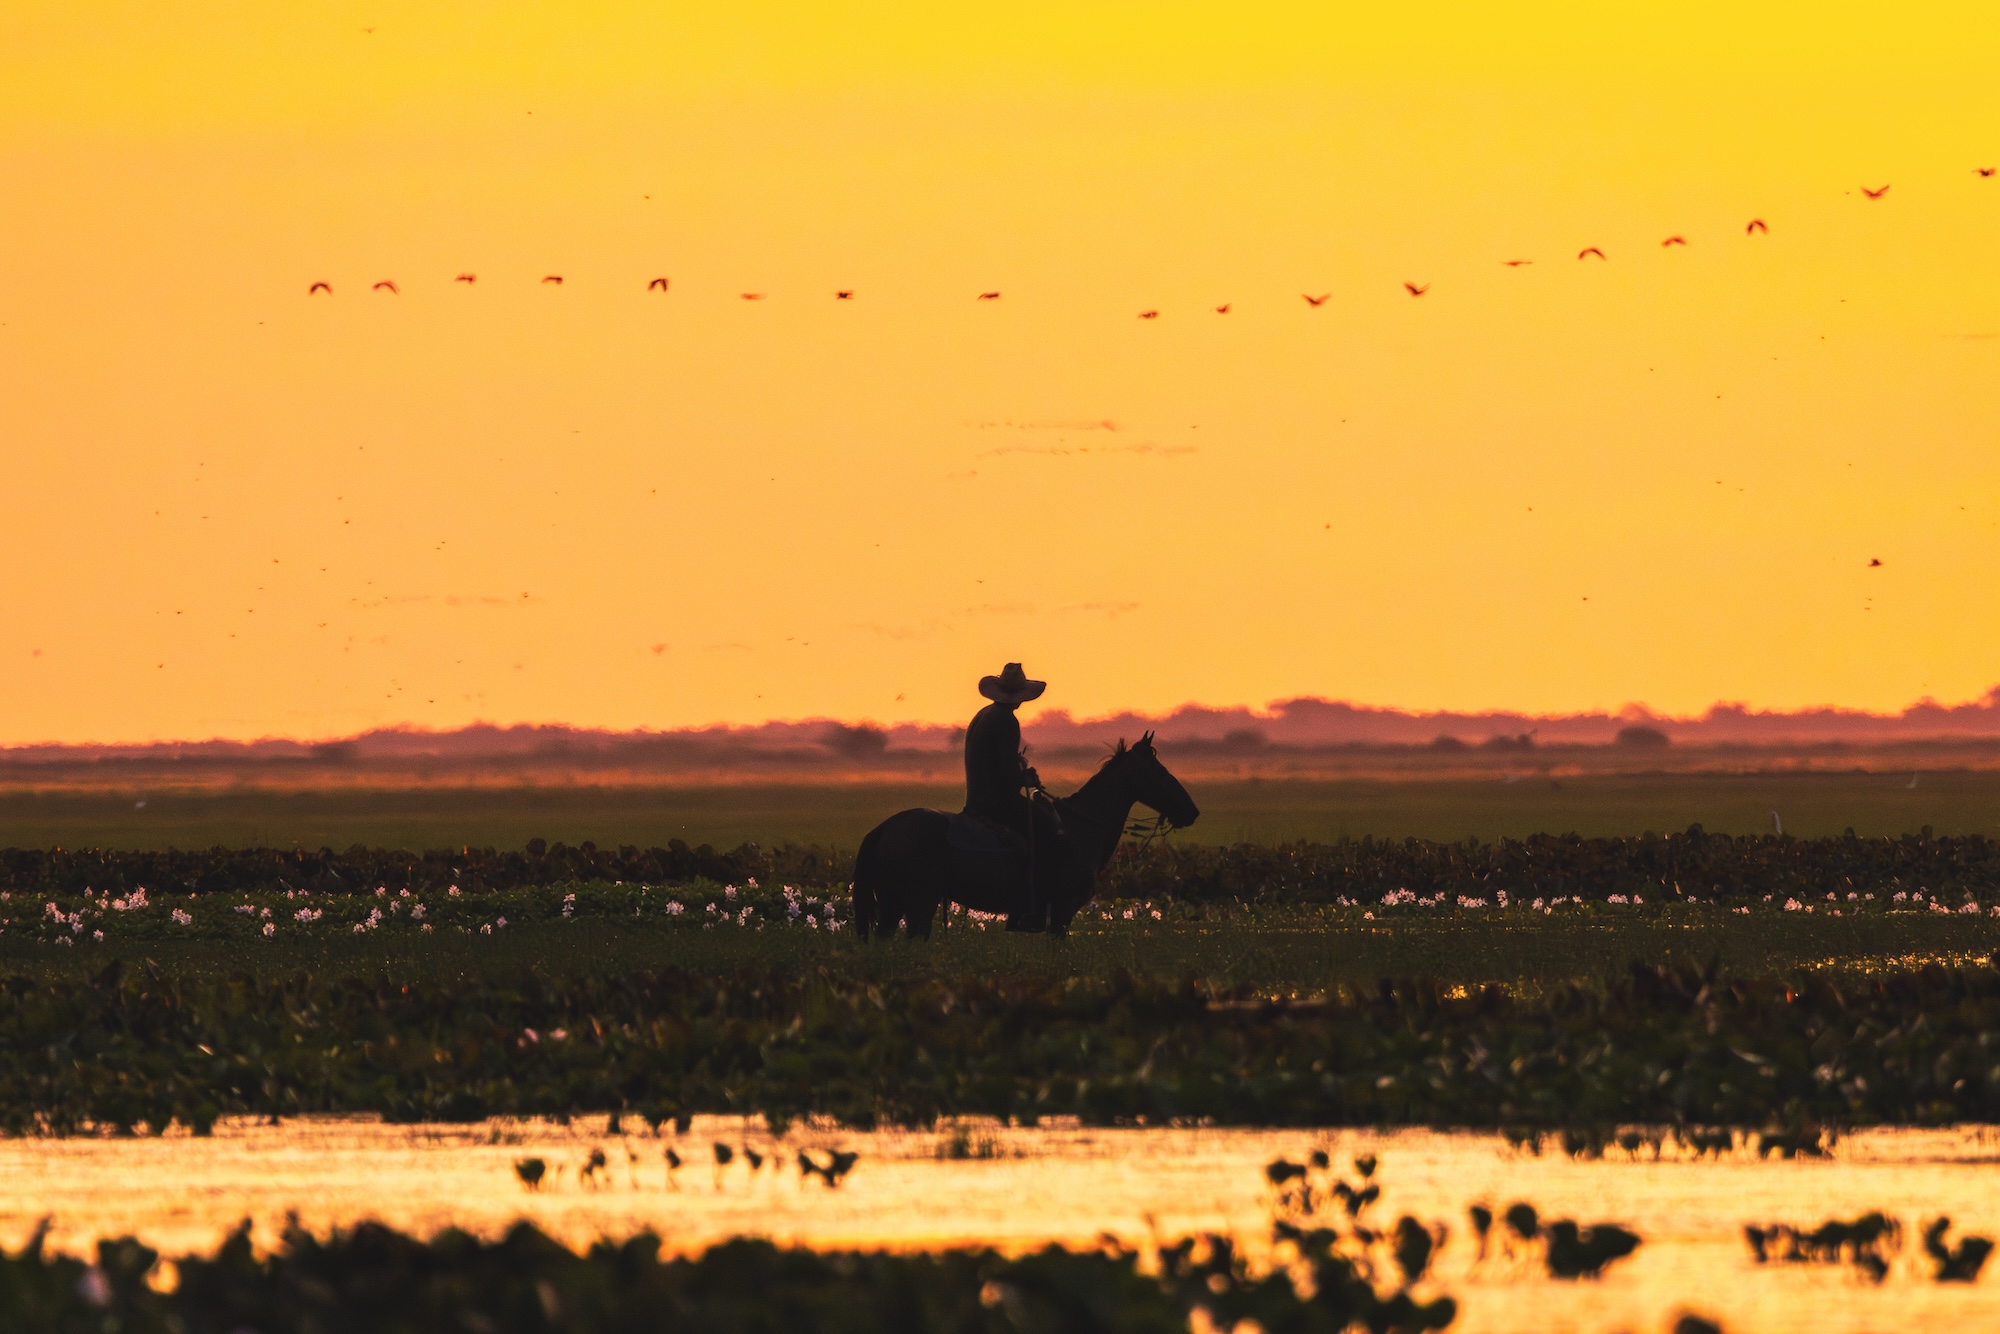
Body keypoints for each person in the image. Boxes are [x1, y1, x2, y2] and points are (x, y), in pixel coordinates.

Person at [962, 662, 1045, 832]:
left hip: (975, 801)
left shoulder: (984, 713)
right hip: (996, 804)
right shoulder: (1007, 720)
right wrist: (1025, 778)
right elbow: (1006, 771)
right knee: (1046, 823)